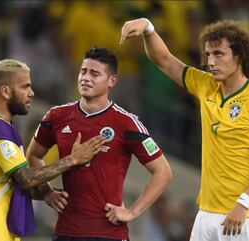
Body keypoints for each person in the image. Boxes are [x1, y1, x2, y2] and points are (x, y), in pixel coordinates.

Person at [119, 18, 249, 241]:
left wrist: (244, 203)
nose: (210, 62)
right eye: (208, 55)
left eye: (218, 54)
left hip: (243, 215)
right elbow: (165, 60)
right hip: (205, 216)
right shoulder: (206, 85)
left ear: (239, 56)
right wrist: (148, 27)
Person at [26, 47, 172, 241]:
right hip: (66, 232)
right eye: (83, 71)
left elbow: (163, 172)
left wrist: (132, 212)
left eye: (95, 73)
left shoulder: (126, 123)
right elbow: (33, 155)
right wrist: (46, 192)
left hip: (108, 233)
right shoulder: (57, 116)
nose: (86, 78)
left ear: (112, 81)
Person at [0, 59, 105, 241]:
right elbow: (27, 178)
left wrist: (46, 193)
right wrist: (73, 159)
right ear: (6, 91)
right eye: (25, 87)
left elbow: (8, 184)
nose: (31, 93)